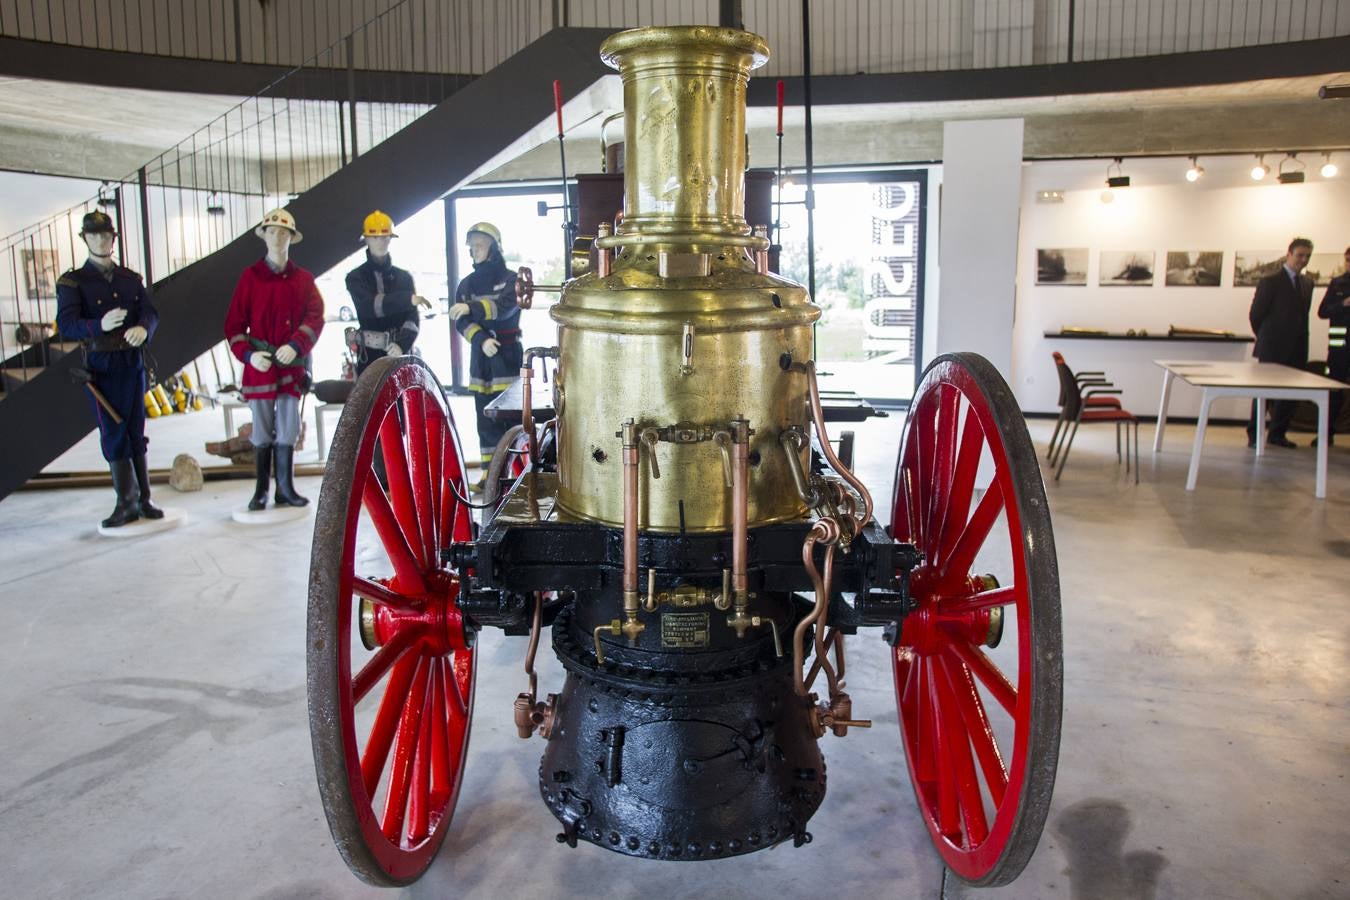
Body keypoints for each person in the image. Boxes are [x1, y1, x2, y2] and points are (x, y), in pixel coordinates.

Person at [56, 210, 161, 528]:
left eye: (106, 235)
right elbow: (66, 325)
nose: (101, 239)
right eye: (95, 235)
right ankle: (125, 502)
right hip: (102, 368)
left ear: (113, 239)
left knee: (135, 430)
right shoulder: (74, 282)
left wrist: (144, 328)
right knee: (114, 432)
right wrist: (97, 325)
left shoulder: (130, 279)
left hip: (132, 363)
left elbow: (150, 311)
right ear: (85, 239)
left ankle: (144, 499)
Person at [224, 208, 324, 509]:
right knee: (261, 429)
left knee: (289, 428)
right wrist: (250, 356)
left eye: (283, 233)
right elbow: (233, 326)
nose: (277, 237)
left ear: (291, 238)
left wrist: (296, 345)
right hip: (262, 368)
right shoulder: (250, 278)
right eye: (272, 232)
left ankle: (285, 488)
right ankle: (260, 491)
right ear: (264, 236)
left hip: (290, 368)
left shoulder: (304, 279)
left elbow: (316, 316)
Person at [451, 222, 521, 478]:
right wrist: (480, 339)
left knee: (512, 416)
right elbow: (460, 321)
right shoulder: (466, 284)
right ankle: (489, 474)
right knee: (484, 418)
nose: (474, 251)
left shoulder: (510, 279)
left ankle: (517, 471)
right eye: (472, 246)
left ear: (494, 248)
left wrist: (473, 308)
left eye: (480, 245)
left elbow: (506, 307)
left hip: (508, 355)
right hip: (481, 358)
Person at [344, 210, 429, 376]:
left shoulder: (404, 277)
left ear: (390, 238)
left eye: (384, 237)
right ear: (366, 239)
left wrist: (402, 344)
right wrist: (407, 299)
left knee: (401, 401)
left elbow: (412, 319)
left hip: (399, 353)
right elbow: (368, 307)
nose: (380, 242)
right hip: (369, 356)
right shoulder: (355, 277)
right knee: (371, 401)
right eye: (375, 237)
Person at [1247, 237, 1314, 448]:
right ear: (1289, 254)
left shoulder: (1307, 283)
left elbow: (1303, 316)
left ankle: (1277, 434)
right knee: (1263, 393)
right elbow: (1256, 315)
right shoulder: (1271, 280)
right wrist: (1267, 338)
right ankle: (1254, 434)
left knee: (1291, 393)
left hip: (1298, 347)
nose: (1303, 260)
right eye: (1300, 255)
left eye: (1307, 256)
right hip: (1272, 347)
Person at [1316, 244, 1350, 445]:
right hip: (1338, 350)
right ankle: (1325, 434)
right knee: (1333, 391)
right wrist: (1342, 305)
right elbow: (1322, 312)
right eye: (1347, 260)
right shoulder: (1337, 283)